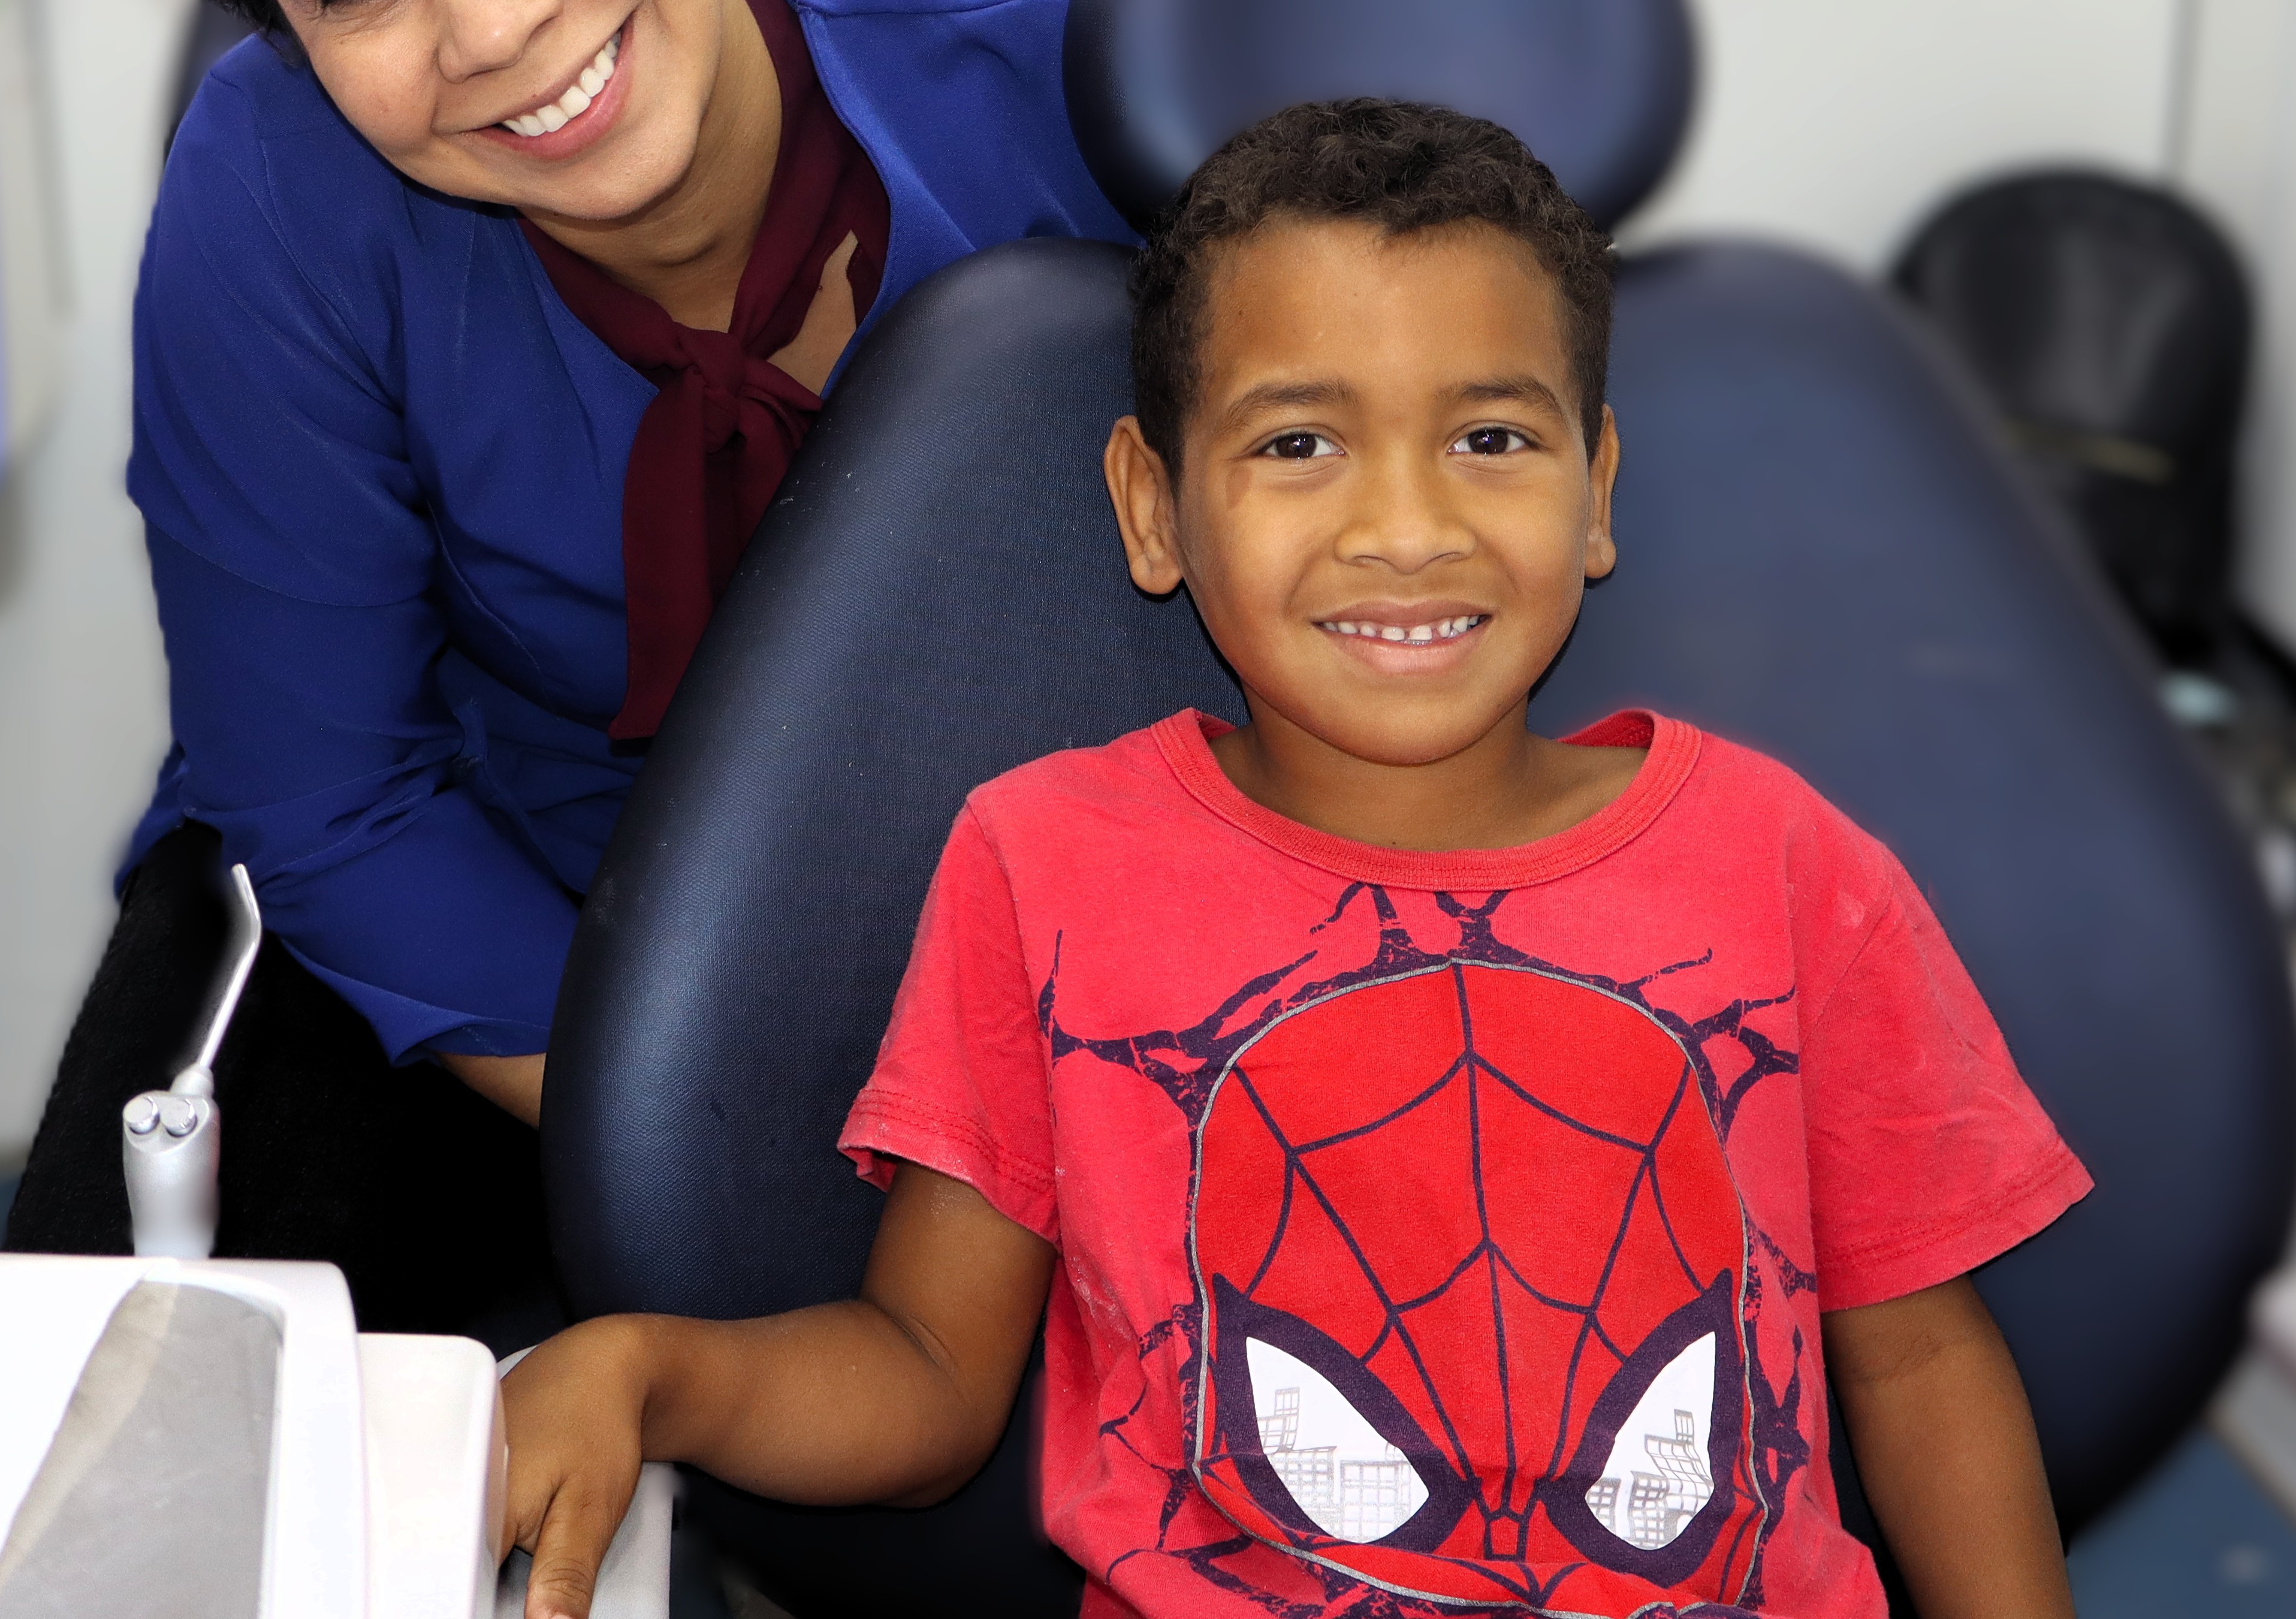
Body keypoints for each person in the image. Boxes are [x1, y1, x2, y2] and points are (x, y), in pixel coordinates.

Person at [498, 101, 2091, 1618]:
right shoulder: (1045, 863)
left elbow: (1919, 1358)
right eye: (1300, 444)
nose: (1406, 527)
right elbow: (927, 1376)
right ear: (1153, 510)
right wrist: (651, 1372)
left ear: (1596, 490)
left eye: (1489, 436)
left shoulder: (1784, 861)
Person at [0, 0, 1130, 1331]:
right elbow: (330, 795)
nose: (490, 22)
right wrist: (713, 1143)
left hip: (1012, 896)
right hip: (473, 887)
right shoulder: (274, 193)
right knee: (145, 1422)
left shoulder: (1072, 55)